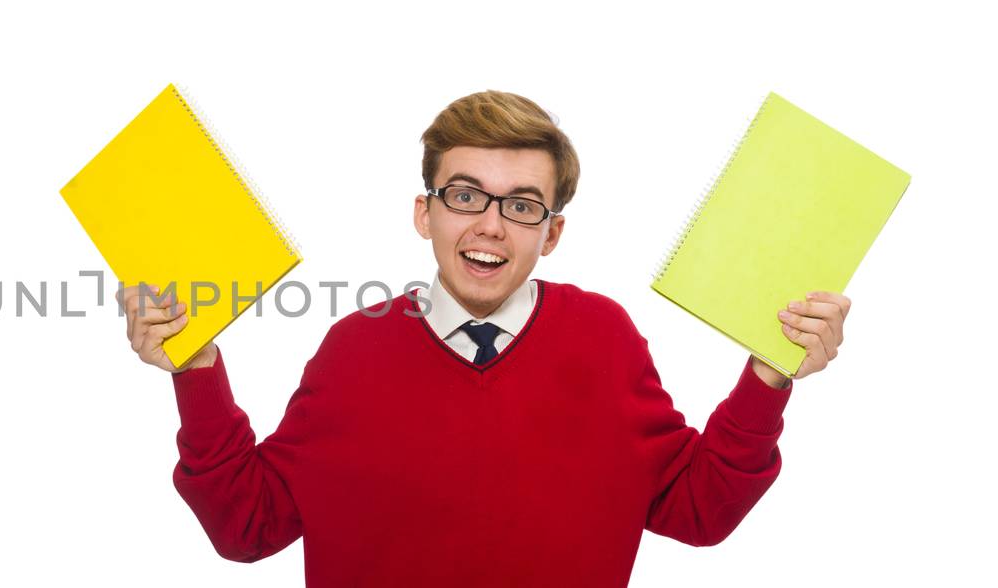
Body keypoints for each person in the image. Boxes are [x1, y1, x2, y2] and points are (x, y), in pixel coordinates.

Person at [117, 90, 850, 586]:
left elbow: (698, 512)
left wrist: (768, 374)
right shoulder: (355, 350)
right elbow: (248, 525)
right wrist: (198, 364)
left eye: (522, 205)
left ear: (552, 233)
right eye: (464, 195)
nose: (490, 224)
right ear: (424, 213)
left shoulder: (604, 338)